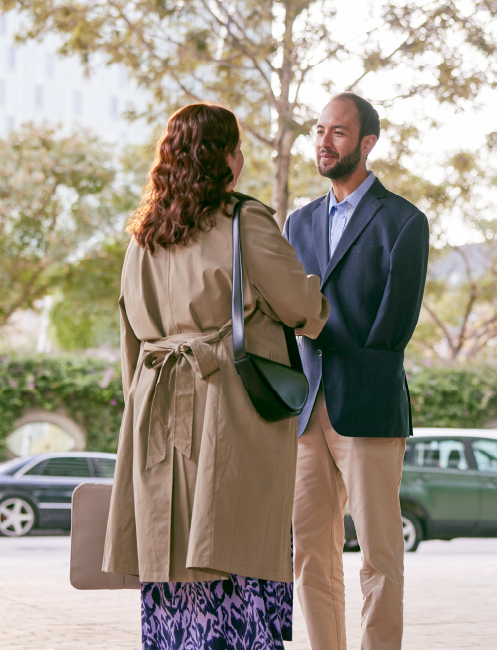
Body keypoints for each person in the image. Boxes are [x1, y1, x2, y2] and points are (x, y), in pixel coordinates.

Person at [102, 103, 330, 650]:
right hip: (227, 401)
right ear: (224, 157)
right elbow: (301, 305)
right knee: (235, 533)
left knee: (172, 543)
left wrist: (140, 403)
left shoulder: (144, 234)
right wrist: (312, 291)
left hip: (155, 403)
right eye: (236, 146)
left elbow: (131, 334)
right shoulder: (243, 219)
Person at [283, 93, 429, 650]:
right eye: (319, 130)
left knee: (379, 558)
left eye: (338, 132)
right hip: (305, 410)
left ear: (367, 143)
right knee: (310, 557)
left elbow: (393, 329)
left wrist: (317, 330)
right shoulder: (299, 222)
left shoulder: (403, 222)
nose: (324, 141)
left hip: (367, 406)